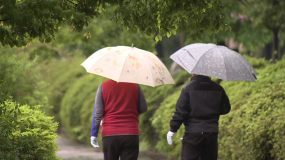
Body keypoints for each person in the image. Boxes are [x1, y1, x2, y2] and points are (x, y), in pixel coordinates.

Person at [167, 74, 231, 160]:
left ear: (194, 73)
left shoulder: (188, 88)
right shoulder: (218, 88)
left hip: (193, 133)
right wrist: (212, 109)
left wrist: (172, 129)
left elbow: (181, 112)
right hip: (211, 132)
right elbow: (225, 109)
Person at [90, 79, 148, 160]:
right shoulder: (135, 86)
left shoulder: (103, 86)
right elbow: (143, 107)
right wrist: (131, 114)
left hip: (109, 134)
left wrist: (94, 134)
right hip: (131, 133)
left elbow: (98, 112)